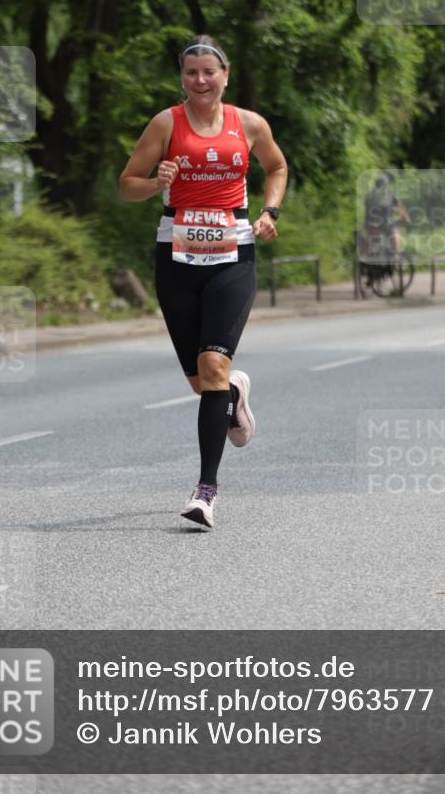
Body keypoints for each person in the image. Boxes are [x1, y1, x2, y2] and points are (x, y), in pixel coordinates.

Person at [118, 35, 287, 529]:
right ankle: (233, 393)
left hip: (233, 255)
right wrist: (156, 183)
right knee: (202, 382)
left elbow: (276, 166)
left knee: (211, 364)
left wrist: (270, 210)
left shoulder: (249, 124)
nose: (200, 80)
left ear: (225, 74)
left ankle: (205, 491)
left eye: (208, 71)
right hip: (176, 256)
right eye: (191, 72)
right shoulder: (166, 124)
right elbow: (127, 184)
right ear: (182, 77)